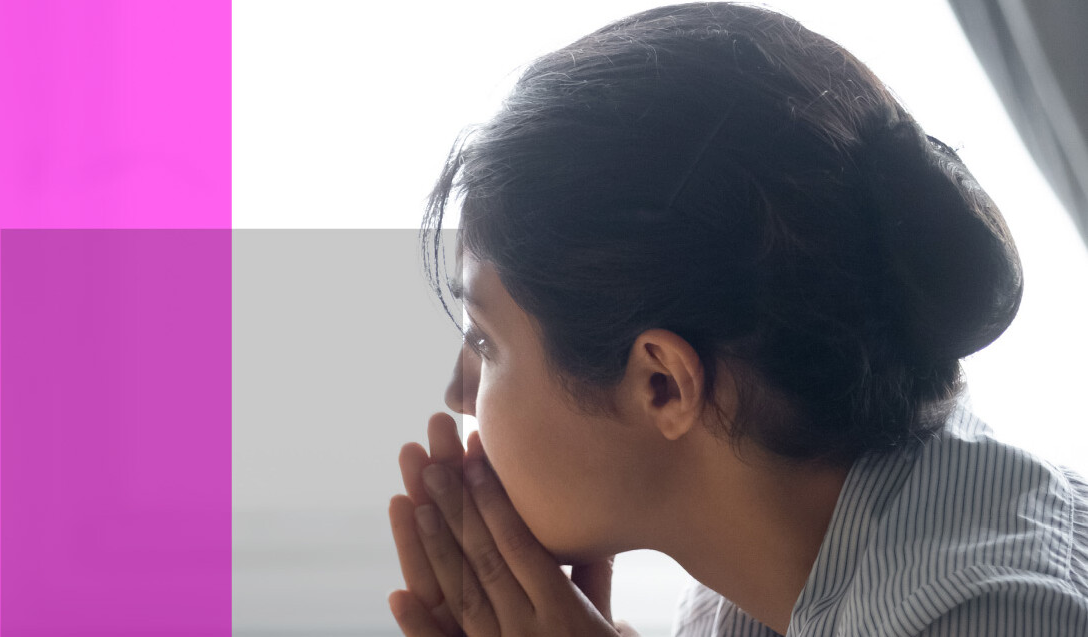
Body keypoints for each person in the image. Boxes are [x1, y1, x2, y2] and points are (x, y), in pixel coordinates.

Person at [386, 3, 1088, 636]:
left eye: (484, 336)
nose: (457, 389)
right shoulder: (753, 592)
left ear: (662, 382)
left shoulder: (989, 616)